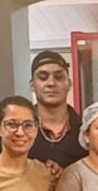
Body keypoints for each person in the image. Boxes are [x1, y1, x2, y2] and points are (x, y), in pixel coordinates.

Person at [27, 50, 85, 178]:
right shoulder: (20, 130)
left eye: (58, 77)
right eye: (43, 77)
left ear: (69, 84)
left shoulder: (86, 129)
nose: (51, 83)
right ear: (32, 85)